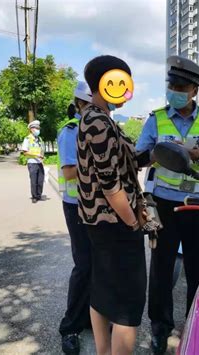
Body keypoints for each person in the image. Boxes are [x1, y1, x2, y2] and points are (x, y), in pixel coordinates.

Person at [136, 55, 199, 354]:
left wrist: (196, 155)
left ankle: (195, 326)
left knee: (198, 270)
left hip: (198, 206)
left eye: (180, 86)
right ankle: (160, 329)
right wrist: (160, 153)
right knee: (161, 270)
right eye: (171, 85)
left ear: (194, 91)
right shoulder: (155, 119)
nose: (174, 90)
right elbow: (139, 157)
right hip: (163, 204)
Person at [77, 55, 146, 355]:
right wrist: (133, 221)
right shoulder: (98, 122)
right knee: (129, 304)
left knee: (103, 291)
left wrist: (156, 153)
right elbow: (110, 183)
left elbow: (124, 161)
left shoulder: (99, 119)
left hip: (100, 223)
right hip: (116, 223)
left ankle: (103, 352)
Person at [57, 81, 93, 354]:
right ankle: (70, 326)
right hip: (77, 205)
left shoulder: (100, 127)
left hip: (98, 206)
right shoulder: (71, 131)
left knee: (98, 263)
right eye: (90, 106)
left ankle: (91, 316)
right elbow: (69, 172)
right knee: (83, 265)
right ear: (80, 104)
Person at [21, 120, 45, 203]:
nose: (38, 130)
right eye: (36, 128)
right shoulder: (27, 139)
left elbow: (41, 149)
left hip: (39, 162)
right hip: (32, 162)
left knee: (40, 180)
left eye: (38, 128)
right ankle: (34, 197)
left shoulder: (40, 139)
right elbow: (25, 152)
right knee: (34, 180)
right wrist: (36, 155)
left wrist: (42, 157)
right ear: (31, 129)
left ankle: (39, 195)